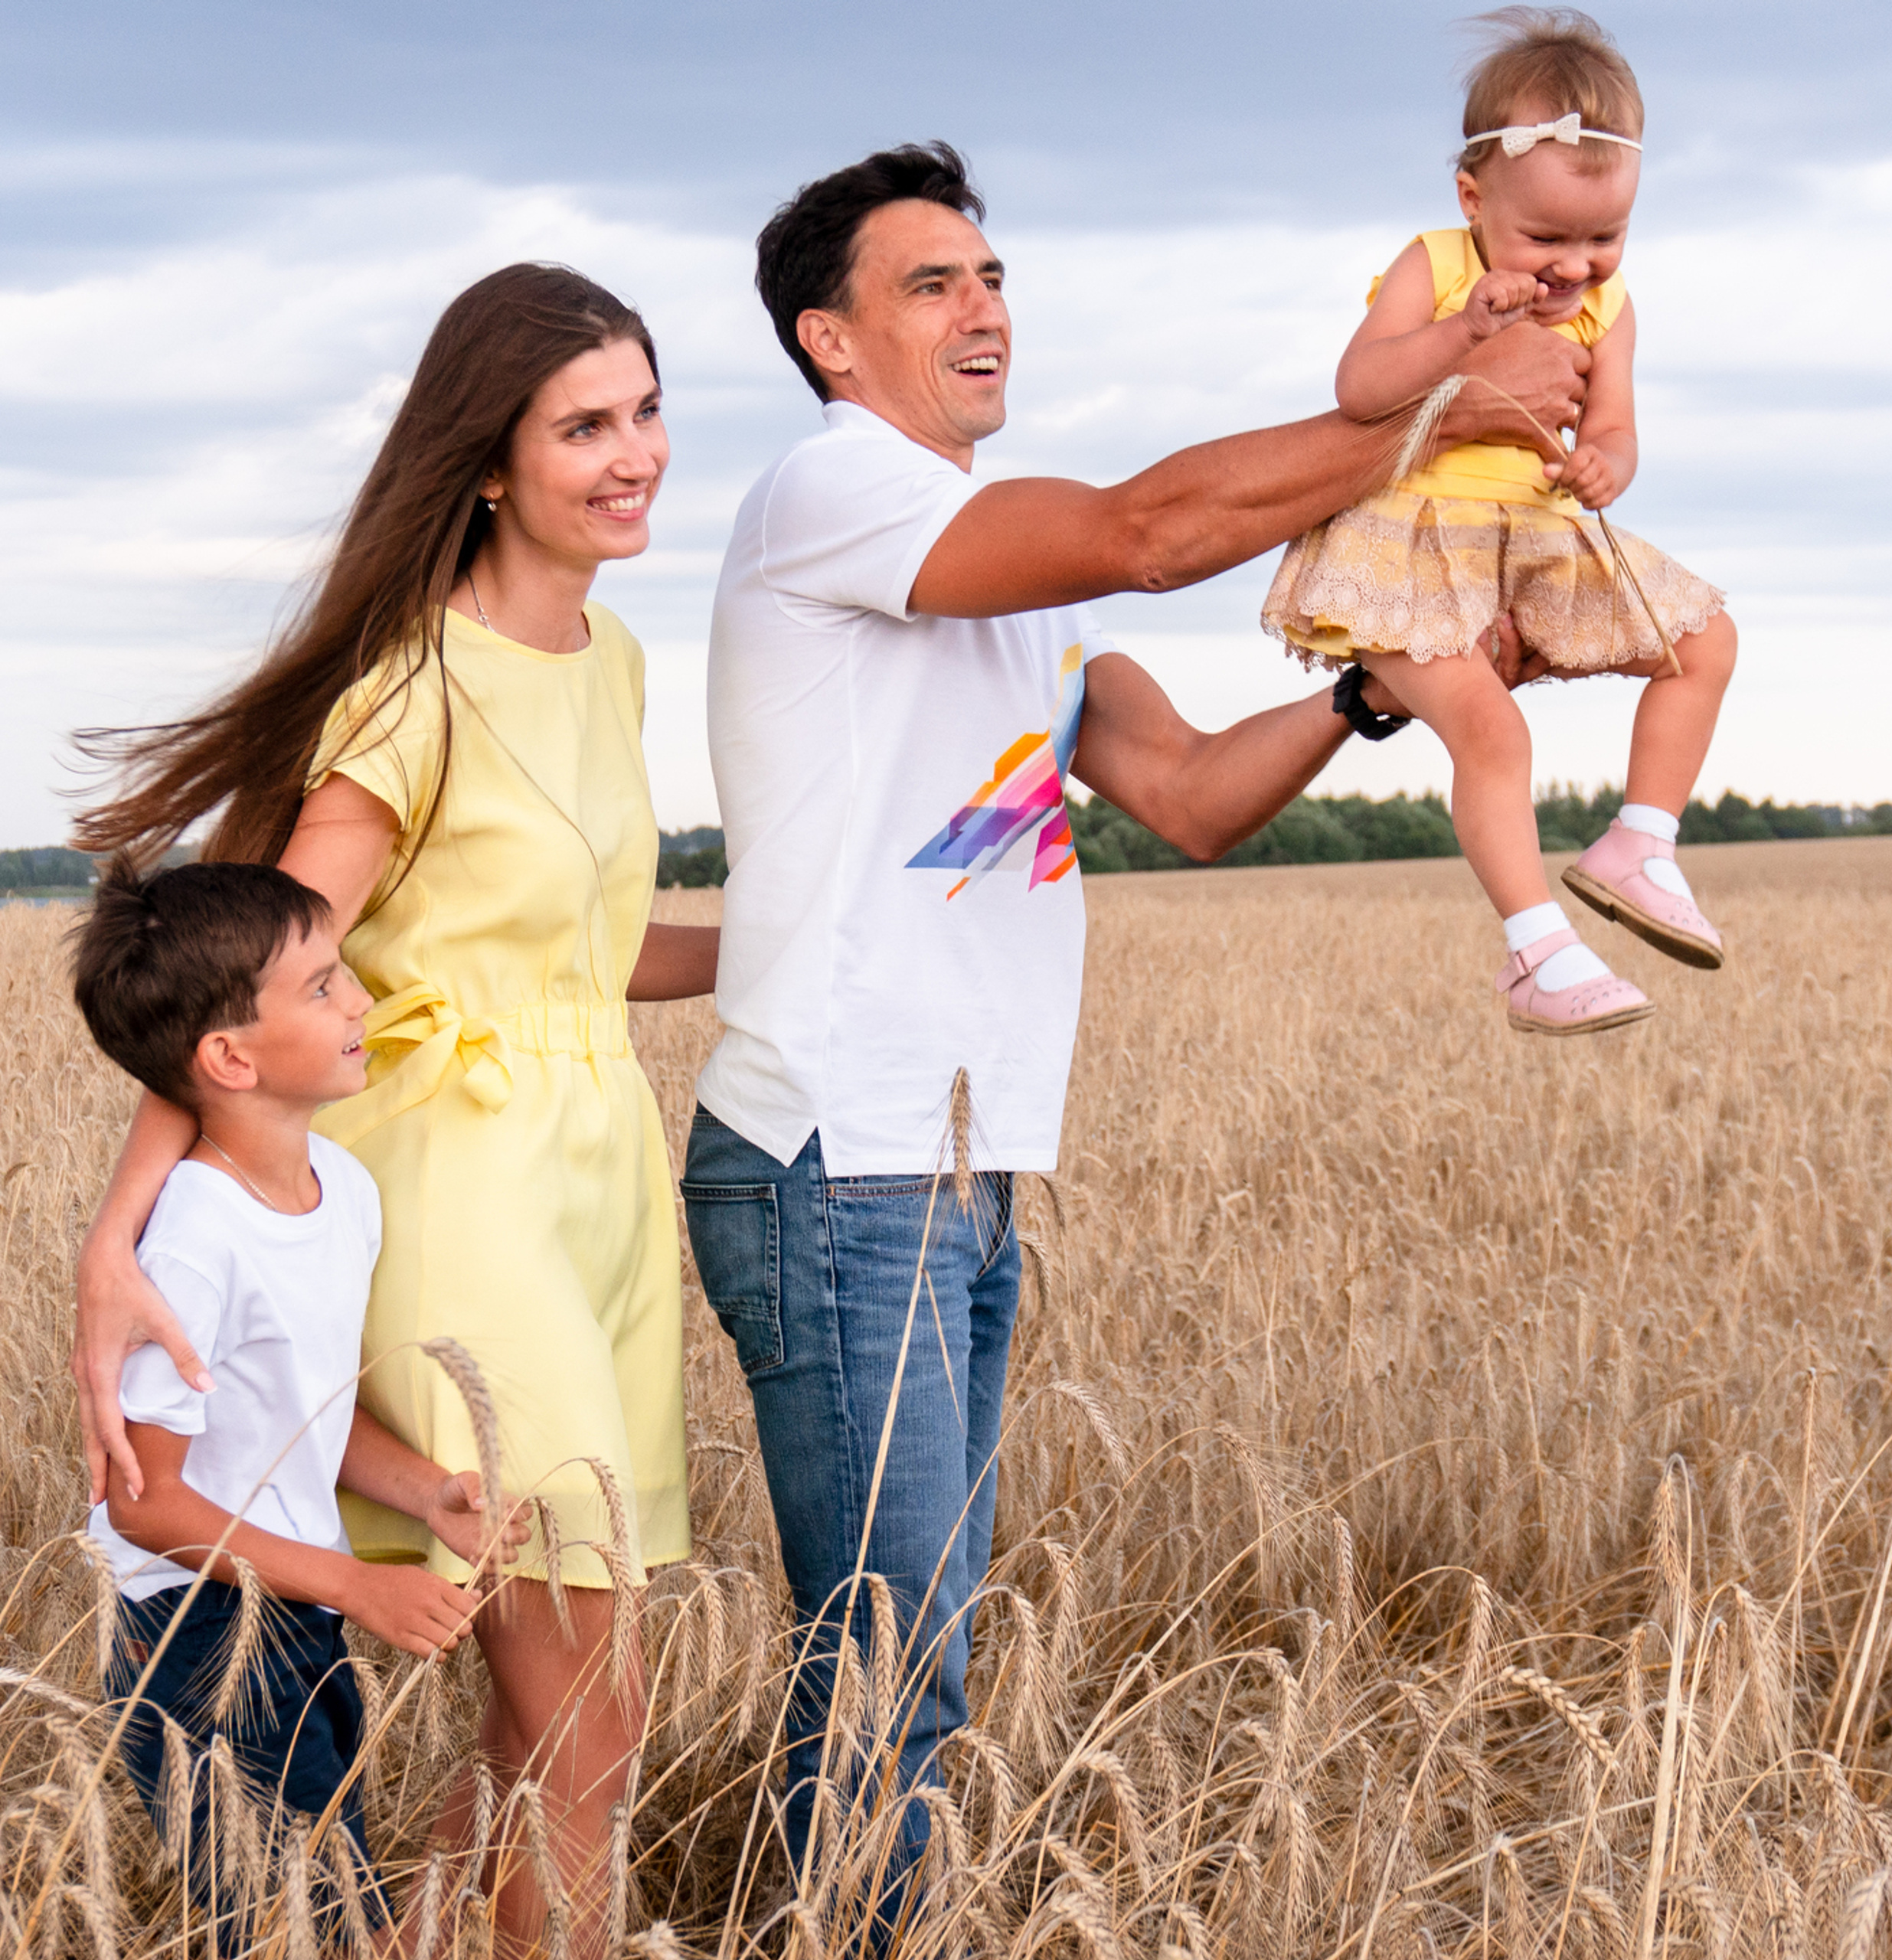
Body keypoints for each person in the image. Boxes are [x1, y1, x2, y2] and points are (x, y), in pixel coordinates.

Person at [681, 139, 1591, 1901]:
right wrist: (1432, 411)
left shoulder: (1026, 597)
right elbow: (1151, 525)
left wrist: (1364, 687)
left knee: (905, 1643)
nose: (980, 307)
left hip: (947, 1161)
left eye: (991, 275)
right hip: (837, 1150)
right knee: (893, 1659)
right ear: (830, 343)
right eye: (928, 283)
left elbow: (1179, 790)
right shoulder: (833, 491)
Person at [70, 264, 716, 1958]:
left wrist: (830, 936)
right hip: (455, 1185)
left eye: (645, 409)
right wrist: (117, 1233)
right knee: (594, 1708)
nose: (633, 450)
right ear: (487, 461)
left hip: (601, 1180)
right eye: (585, 423)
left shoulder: (620, 656)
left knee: (545, 1722)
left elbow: (596, 950)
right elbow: (249, 980)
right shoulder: (413, 689)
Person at [73, 858, 528, 1954]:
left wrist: (431, 1493)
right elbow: (146, 1508)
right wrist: (357, 1583)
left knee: (326, 1905)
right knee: (299, 1926)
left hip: (296, 1610)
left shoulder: (346, 1192)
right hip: (188, 1629)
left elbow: (304, 1418)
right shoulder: (193, 1238)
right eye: (322, 987)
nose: (361, 1001)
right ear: (229, 1057)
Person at [1263, 8, 1738, 1037]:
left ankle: (1640, 843)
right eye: (1547, 237)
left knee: (1704, 640)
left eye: (1606, 238)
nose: (1576, 266)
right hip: (1416, 548)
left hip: (1535, 538)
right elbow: (1360, 386)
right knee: (1490, 727)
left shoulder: (1612, 310)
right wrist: (1462, 333)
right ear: (1473, 199)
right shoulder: (1434, 267)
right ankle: (1534, 949)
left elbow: (1615, 424)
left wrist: (1606, 461)